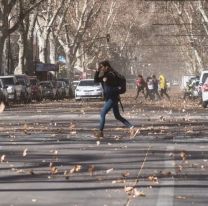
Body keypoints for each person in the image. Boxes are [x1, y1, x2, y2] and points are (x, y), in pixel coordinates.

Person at [94, 60, 135, 138]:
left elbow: (112, 86)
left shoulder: (110, 75)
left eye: (102, 67)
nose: (101, 68)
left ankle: (100, 132)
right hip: (112, 98)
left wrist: (114, 91)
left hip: (112, 98)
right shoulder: (107, 74)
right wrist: (97, 71)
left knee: (102, 113)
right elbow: (96, 80)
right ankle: (131, 127)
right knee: (117, 116)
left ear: (107, 67)